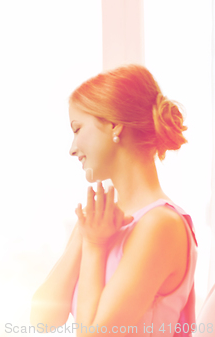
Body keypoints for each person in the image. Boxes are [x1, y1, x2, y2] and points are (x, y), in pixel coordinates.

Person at [31, 64, 197, 337]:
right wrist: (84, 237)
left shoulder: (160, 225)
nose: (72, 149)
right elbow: (42, 319)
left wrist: (95, 246)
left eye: (77, 128)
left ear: (113, 124)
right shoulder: (99, 219)